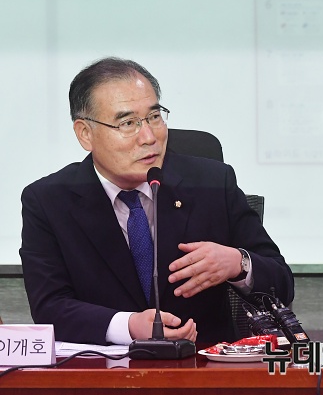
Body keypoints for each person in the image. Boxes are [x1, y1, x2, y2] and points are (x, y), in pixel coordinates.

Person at [20, 57, 294, 345]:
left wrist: (238, 263)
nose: (149, 137)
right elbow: (50, 307)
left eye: (154, 117)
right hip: (104, 369)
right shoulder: (48, 201)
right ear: (85, 133)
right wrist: (128, 326)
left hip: (204, 365)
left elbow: (282, 284)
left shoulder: (212, 182)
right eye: (128, 123)